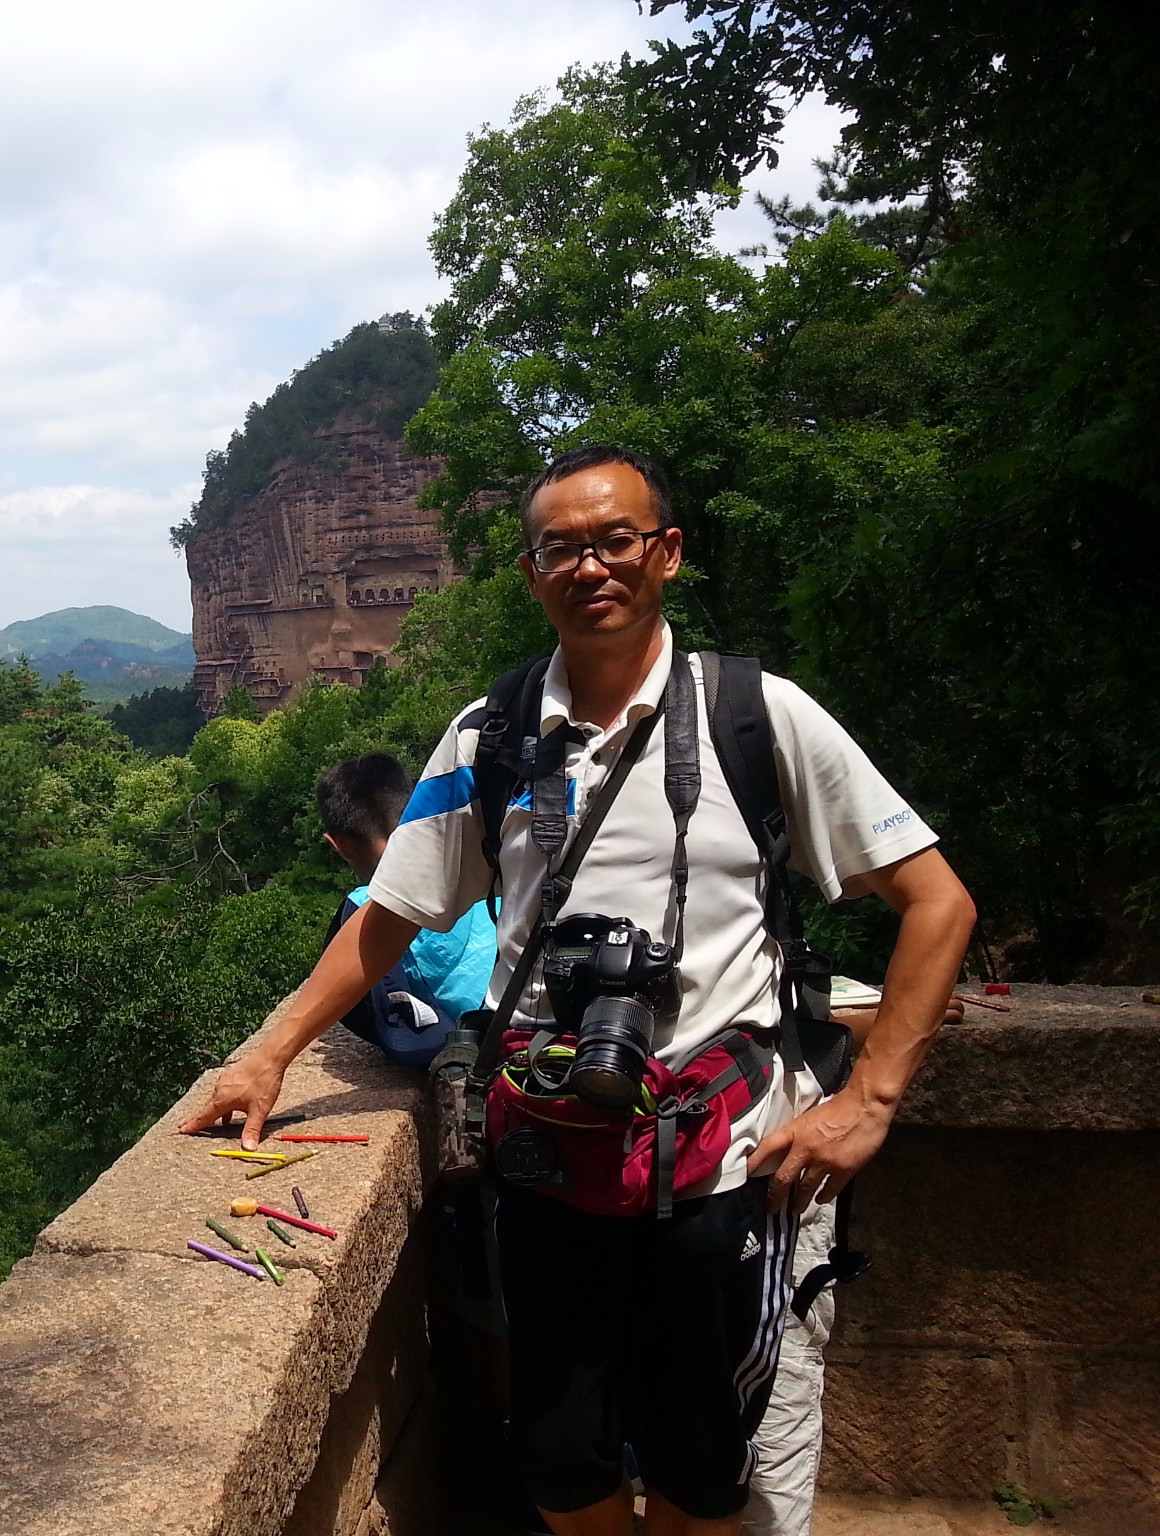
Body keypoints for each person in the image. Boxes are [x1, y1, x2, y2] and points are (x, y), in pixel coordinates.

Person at [179, 444, 976, 1536]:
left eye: (616, 540)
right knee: (557, 1458)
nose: (590, 566)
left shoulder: (754, 716)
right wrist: (266, 1054)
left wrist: (869, 1101)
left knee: (705, 1467)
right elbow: (390, 916)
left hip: (726, 1167)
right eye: (560, 547)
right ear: (528, 572)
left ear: (667, 553)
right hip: (550, 1156)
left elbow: (937, 903)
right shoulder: (490, 734)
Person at [316, 753, 498, 1069]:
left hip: (473, 1051)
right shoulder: (481, 866)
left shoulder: (360, 908)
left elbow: (398, 1035)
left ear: (339, 845)